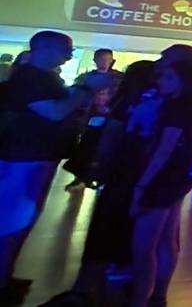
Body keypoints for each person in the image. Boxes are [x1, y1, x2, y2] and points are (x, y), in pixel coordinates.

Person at [0, 32, 114, 305]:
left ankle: (6, 276)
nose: (69, 55)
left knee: (19, 221)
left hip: (33, 157)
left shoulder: (41, 77)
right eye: (66, 49)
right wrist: (87, 89)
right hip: (24, 159)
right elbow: (54, 112)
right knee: (12, 222)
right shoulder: (31, 78)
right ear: (47, 48)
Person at [40, 60, 159, 307]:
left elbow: (110, 139)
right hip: (144, 178)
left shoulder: (125, 103)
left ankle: (84, 290)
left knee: (104, 230)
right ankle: (124, 289)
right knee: (133, 237)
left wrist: (97, 168)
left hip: (120, 175)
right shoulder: (163, 104)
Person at [126, 60, 192, 307]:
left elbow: (163, 151)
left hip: (161, 179)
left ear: (183, 81)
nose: (160, 81)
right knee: (167, 238)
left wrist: (141, 185)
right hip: (179, 177)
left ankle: (139, 300)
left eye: (167, 77)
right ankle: (159, 295)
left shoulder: (176, 108)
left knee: (143, 247)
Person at [64, 50, 123, 192]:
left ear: (112, 60)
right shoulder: (86, 78)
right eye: (101, 59)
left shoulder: (119, 79)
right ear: (95, 60)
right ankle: (82, 177)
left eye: (107, 59)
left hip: (109, 119)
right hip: (89, 118)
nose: (104, 62)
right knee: (86, 147)